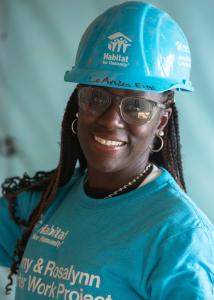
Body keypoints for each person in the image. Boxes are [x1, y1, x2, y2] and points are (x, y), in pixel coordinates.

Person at [0, 1, 214, 299]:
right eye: (96, 97)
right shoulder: (46, 201)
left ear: (161, 120)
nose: (111, 120)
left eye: (137, 106)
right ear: (78, 102)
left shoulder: (179, 237)